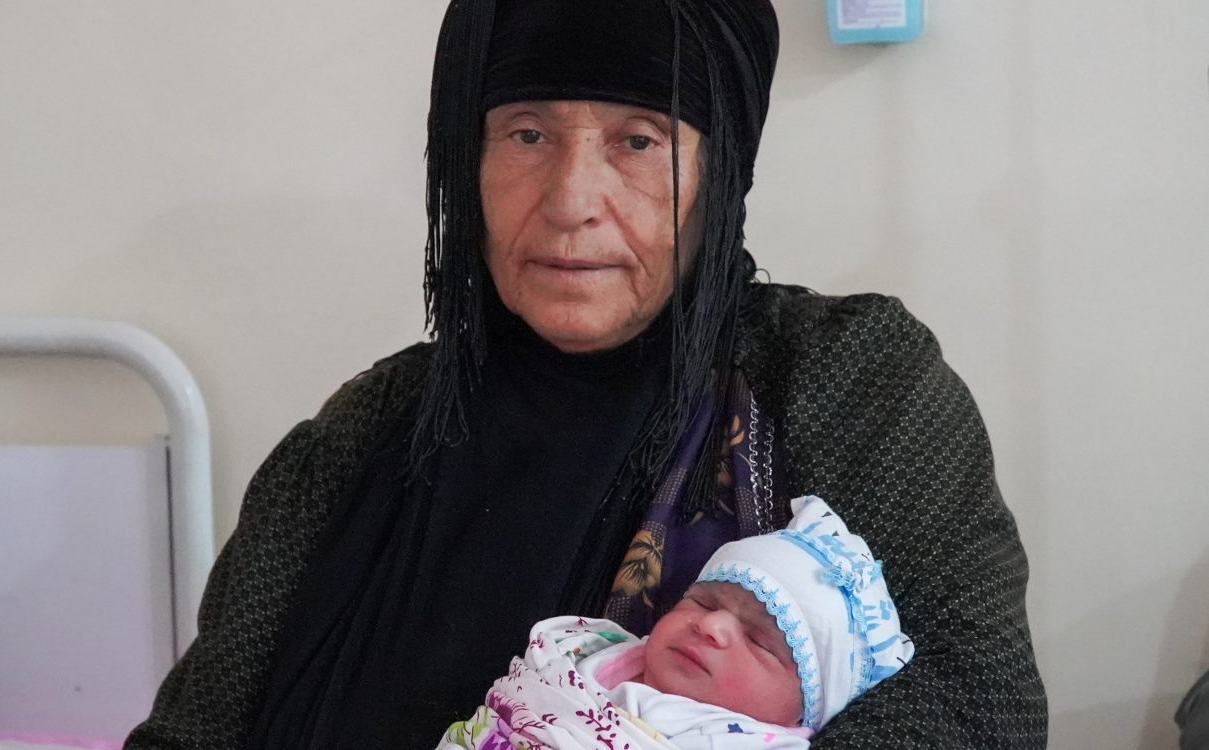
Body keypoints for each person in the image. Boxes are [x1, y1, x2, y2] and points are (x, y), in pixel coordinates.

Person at [125, 0, 1048, 747]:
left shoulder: (846, 381)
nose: (570, 204)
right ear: (467, 165)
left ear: (719, 177)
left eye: (638, 142)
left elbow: (976, 711)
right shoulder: (366, 431)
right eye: (526, 135)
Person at [436, 496, 915, 749]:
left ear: (802, 712)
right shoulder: (580, 653)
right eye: (704, 603)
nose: (714, 628)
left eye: (760, 640)